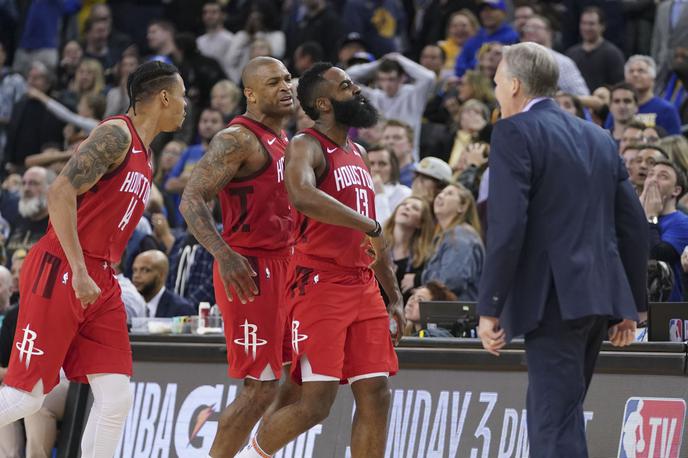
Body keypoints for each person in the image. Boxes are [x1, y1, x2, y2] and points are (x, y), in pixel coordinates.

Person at [0, 60, 186, 456]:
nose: (187, 106)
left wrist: (92, 274)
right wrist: (80, 270)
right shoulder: (116, 134)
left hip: (101, 277)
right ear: (164, 97)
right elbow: (60, 193)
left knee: (116, 398)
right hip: (64, 266)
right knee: (25, 398)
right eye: (183, 97)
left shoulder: (146, 155)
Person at [477, 43, 648, 457]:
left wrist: (490, 306)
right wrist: (630, 305)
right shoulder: (598, 136)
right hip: (596, 298)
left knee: (552, 423)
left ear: (515, 85)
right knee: (560, 415)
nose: (497, 91)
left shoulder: (514, 131)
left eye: (498, 83)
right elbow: (634, 225)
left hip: (553, 298)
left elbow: (508, 225)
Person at [238, 61, 403, 458]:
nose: (357, 90)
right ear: (325, 104)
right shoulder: (304, 145)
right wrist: (370, 226)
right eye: (347, 86)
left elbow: (372, 239)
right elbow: (301, 194)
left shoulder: (359, 151)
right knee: (315, 404)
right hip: (319, 284)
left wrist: (393, 295)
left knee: (377, 393)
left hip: (363, 286)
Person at [180, 56, 297, 457]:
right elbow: (192, 198)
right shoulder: (237, 138)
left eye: (287, 79)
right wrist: (224, 253)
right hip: (249, 269)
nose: (285, 87)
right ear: (249, 93)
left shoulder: (283, 139)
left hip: (285, 266)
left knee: (284, 385)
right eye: (272, 82)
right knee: (259, 388)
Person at [422, 183, 484, 300]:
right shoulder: (448, 235)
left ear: (462, 207)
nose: (440, 196)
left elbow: (450, 281)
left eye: (449, 194)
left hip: (454, 314)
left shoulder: (461, 235)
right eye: (440, 193)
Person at [640, 158, 688, 302]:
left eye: (663, 176)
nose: (653, 180)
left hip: (666, 308)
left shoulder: (682, 222)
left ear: (676, 190)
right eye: (651, 174)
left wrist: (650, 217)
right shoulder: (633, 218)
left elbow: (656, 259)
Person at [383, 196, 435, 301]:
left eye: (414, 208)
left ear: (420, 223)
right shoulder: (375, 245)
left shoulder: (426, 257)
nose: (407, 207)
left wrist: (418, 280)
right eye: (404, 204)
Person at [131, 249, 195, 317]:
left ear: (161, 275)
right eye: (135, 270)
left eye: (145, 270)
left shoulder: (181, 309)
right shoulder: (131, 305)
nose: (136, 276)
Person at [368, 144, 411, 224]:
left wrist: (380, 195)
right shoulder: (358, 191)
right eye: (371, 163)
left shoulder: (405, 194)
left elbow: (385, 230)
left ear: (393, 167)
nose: (376, 169)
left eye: (382, 164)